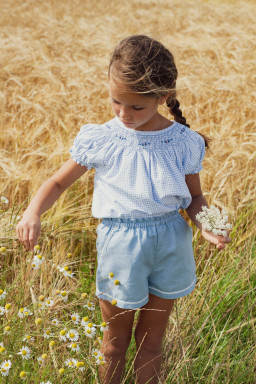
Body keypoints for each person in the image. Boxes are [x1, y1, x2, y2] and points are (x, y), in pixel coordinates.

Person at [16, 35, 231, 384]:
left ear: (163, 98)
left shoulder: (184, 142)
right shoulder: (101, 138)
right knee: (114, 346)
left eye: (136, 107)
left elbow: (194, 198)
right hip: (121, 245)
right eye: (116, 102)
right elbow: (56, 183)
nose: (123, 114)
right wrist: (32, 212)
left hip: (171, 244)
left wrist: (207, 223)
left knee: (152, 344)